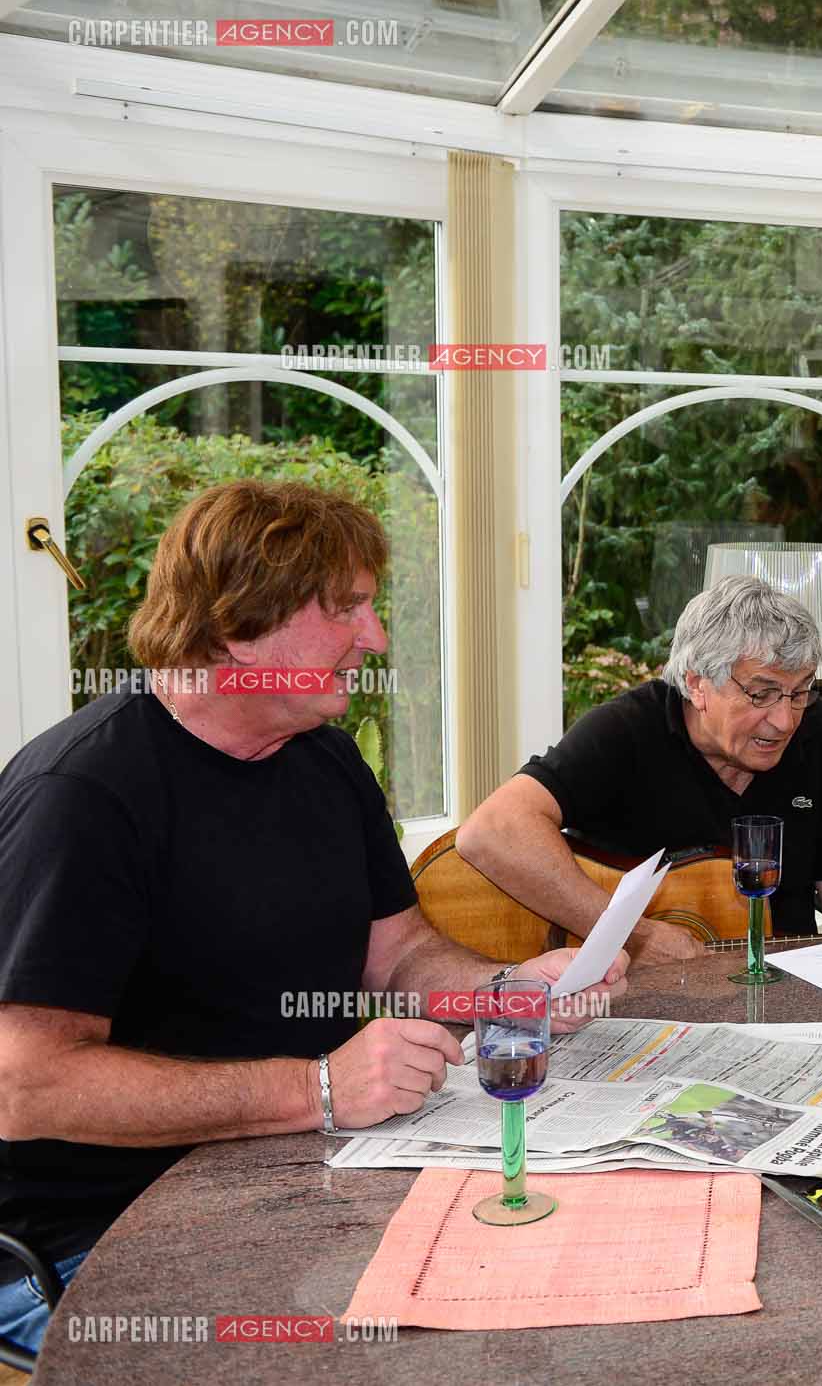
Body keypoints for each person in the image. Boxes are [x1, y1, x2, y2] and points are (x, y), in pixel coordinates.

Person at [0, 482, 626, 1356]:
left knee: (568, 1273)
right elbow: (25, 1085)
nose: (372, 638)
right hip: (94, 1246)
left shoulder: (324, 758)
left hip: (304, 1175)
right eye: (345, 610)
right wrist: (315, 1089)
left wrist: (506, 990)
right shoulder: (83, 795)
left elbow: (398, 953)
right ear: (234, 625)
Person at [457, 575, 822, 963]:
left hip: (786, 994)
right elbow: (492, 831)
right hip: (642, 1014)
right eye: (761, 694)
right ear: (698, 684)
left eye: (800, 692)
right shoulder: (628, 730)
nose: (784, 720)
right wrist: (633, 936)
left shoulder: (817, 733)